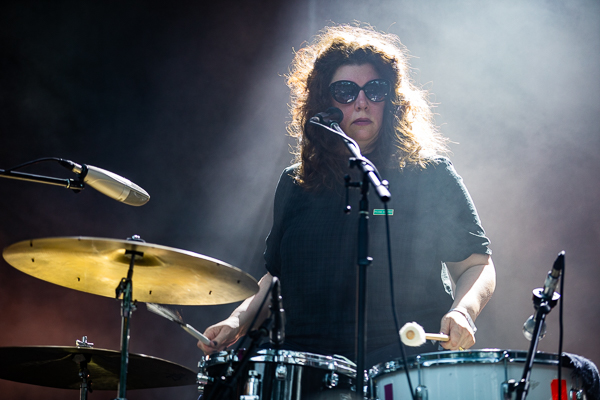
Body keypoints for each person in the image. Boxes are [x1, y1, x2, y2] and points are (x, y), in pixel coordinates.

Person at [198, 24, 496, 372]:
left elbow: (477, 264)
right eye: (345, 91)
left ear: (392, 101)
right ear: (324, 102)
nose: (361, 102)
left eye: (375, 90)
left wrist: (463, 312)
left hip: (400, 364)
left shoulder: (428, 174)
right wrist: (237, 320)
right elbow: (275, 279)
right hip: (305, 366)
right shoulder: (296, 182)